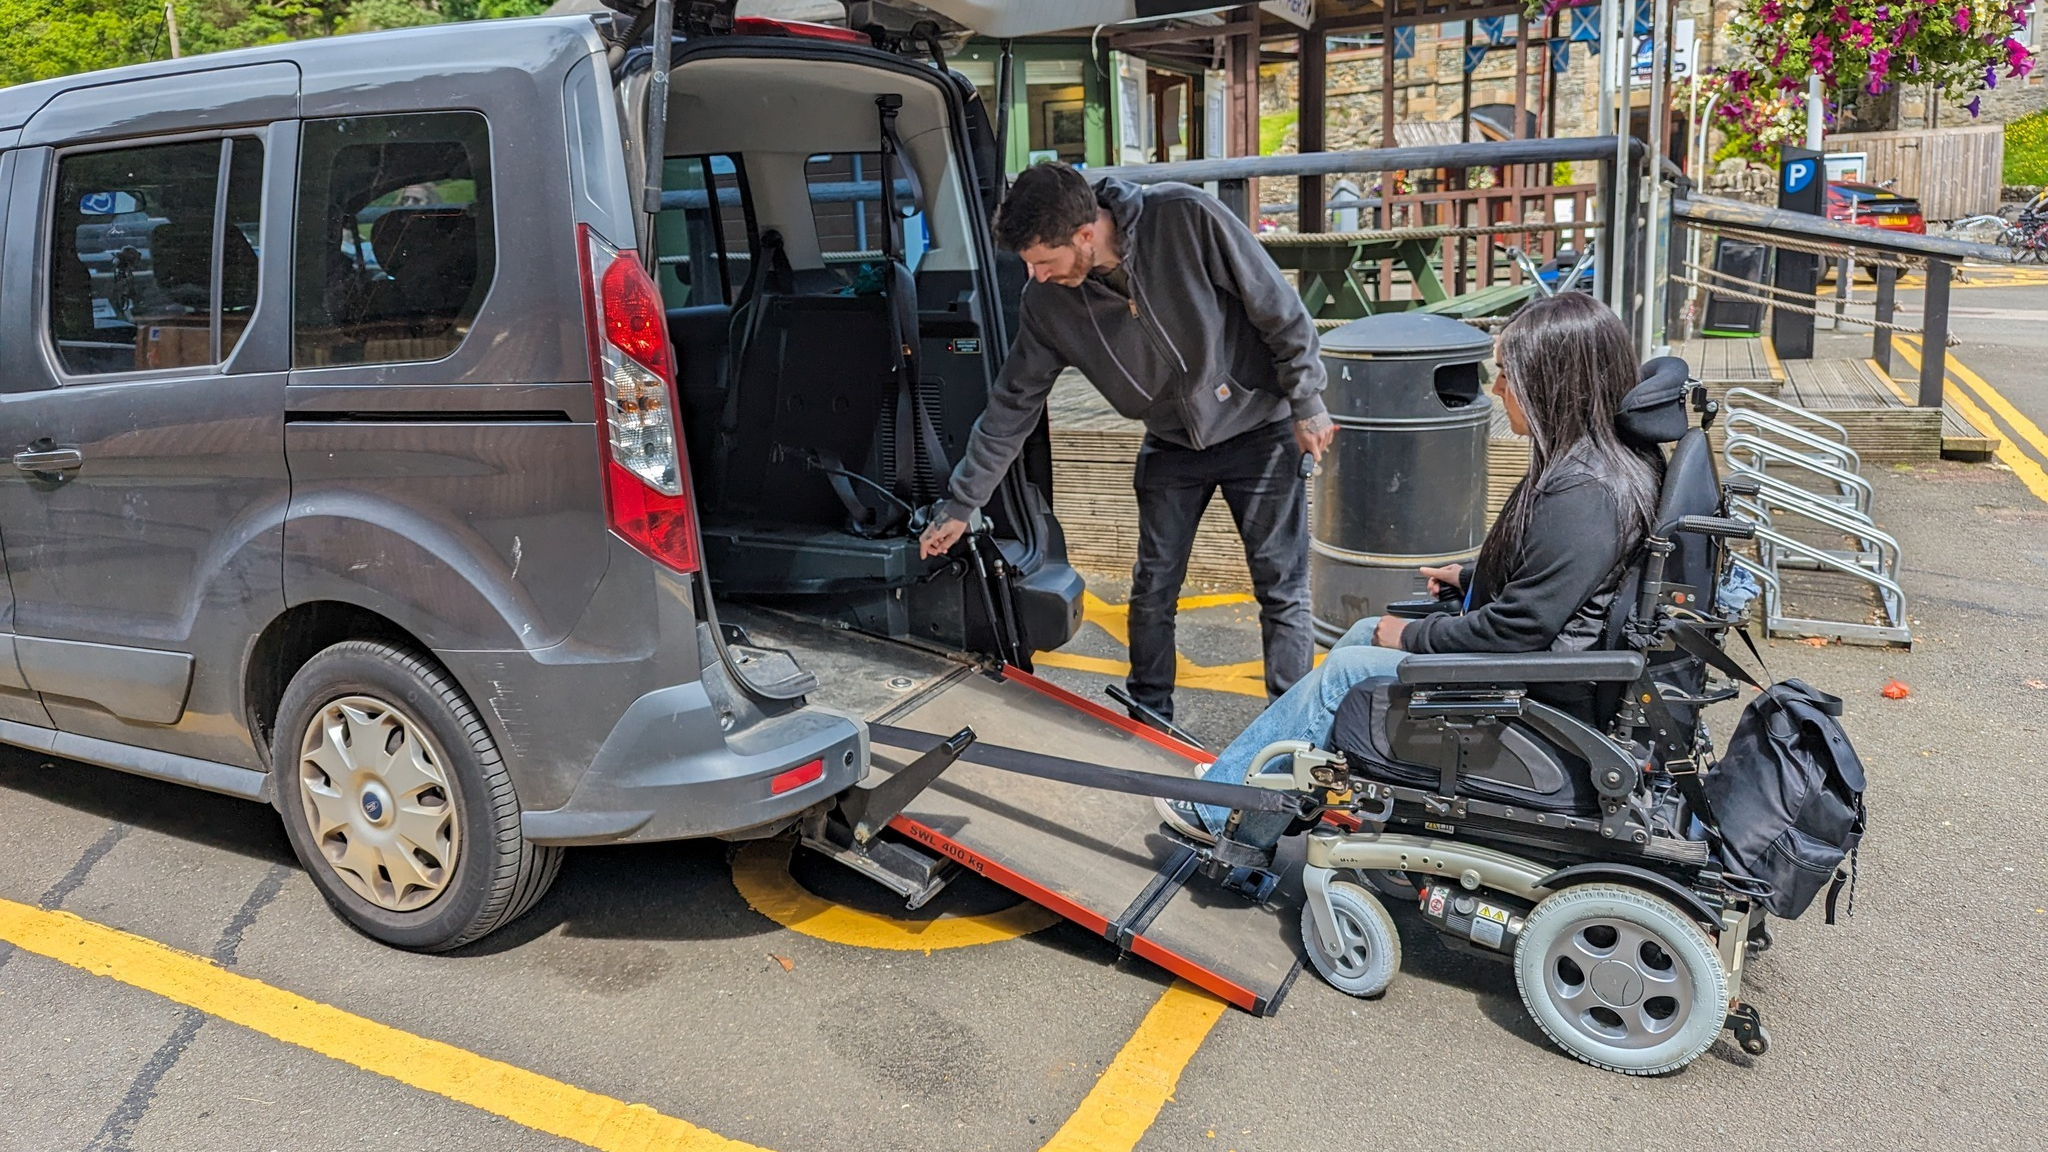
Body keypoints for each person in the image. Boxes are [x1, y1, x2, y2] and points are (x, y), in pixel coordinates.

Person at [1155, 292, 1666, 843]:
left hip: (1528, 688)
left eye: (1507, 375)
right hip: (1541, 666)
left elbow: (1518, 629)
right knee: (1357, 636)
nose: (1496, 390)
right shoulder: (1599, 466)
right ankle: (1252, 810)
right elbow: (1558, 586)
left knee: (1343, 673)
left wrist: (1417, 634)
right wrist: (1471, 578)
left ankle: (1218, 810)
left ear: (1553, 384)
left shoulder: (1583, 493)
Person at [918, 162, 1335, 725]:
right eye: (1027, 263)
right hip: (1169, 439)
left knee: (1282, 589)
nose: (1036, 275)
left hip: (1258, 424)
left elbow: (1280, 311)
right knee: (1152, 589)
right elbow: (1012, 404)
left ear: (1086, 234)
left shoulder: (1186, 217)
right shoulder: (1047, 303)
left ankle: (1291, 732)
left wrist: (1307, 402)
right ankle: (1150, 717)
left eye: (1044, 260)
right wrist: (962, 505)